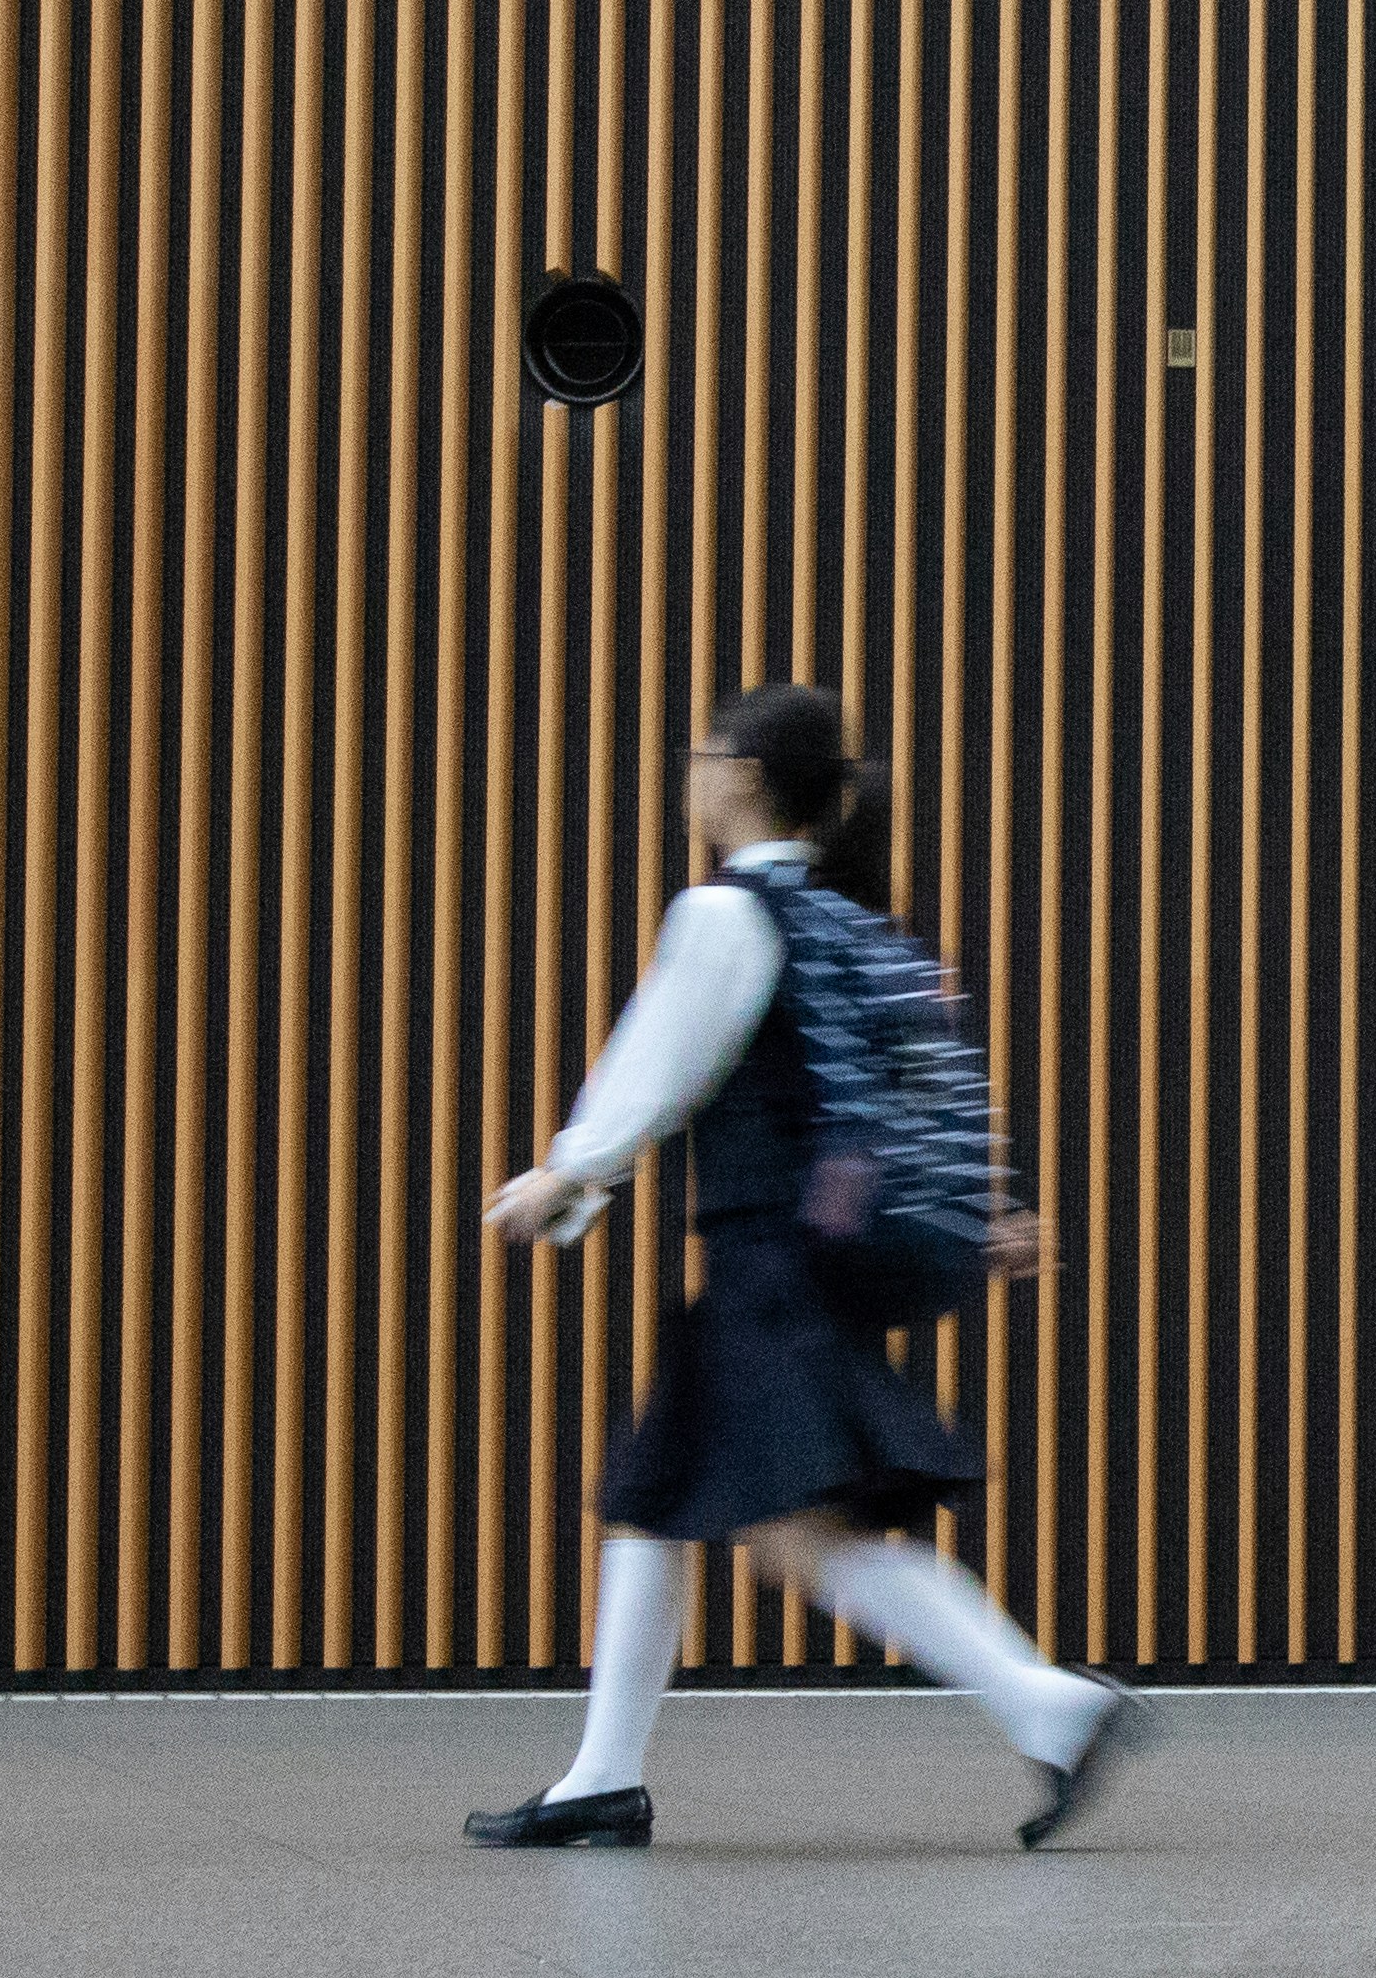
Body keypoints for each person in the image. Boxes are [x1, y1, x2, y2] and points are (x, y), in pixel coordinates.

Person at [469, 682, 1150, 1850]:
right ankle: (600, 1777)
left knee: (799, 1536)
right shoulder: (847, 925)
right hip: (799, 1269)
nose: (690, 769)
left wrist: (566, 1173)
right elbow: (907, 1099)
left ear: (738, 773)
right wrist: (982, 1212)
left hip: (765, 1270)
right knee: (653, 1502)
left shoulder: (728, 916)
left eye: (704, 750)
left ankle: (1052, 1704)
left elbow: (655, 1065)